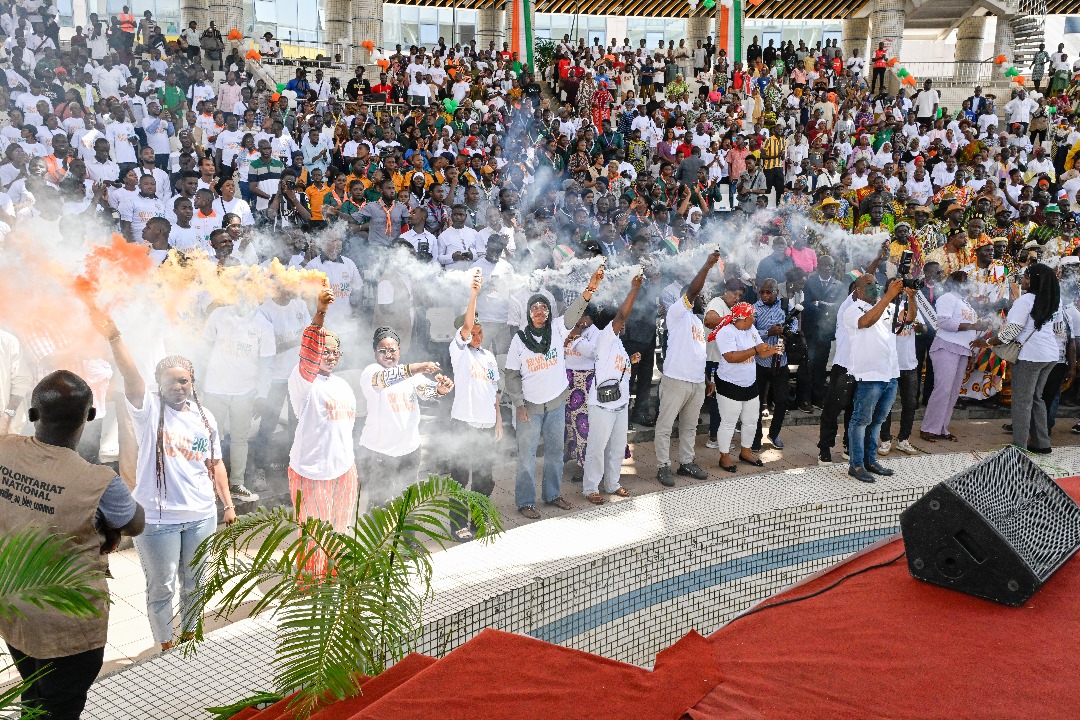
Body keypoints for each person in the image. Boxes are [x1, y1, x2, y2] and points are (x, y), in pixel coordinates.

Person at [0, 371, 144, 719]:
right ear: (90, 415)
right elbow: (135, 523)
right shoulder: (99, 482)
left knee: (33, 694)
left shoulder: (4, 451)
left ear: (32, 414)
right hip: (68, 624)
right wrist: (102, 523)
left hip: (15, 605)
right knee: (61, 707)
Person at [93, 309, 236, 651]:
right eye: (170, 381)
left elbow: (215, 463)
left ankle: (190, 637)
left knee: (195, 583)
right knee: (162, 587)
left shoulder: (205, 417)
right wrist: (115, 338)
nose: (177, 386)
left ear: (192, 382)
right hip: (159, 521)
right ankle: (166, 647)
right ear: (158, 384)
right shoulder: (149, 411)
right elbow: (131, 378)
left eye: (183, 380)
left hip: (201, 516)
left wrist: (228, 505)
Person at [505, 264, 604, 519]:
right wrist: (519, 405)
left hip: (556, 403)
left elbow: (575, 310)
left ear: (549, 312)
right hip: (529, 408)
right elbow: (512, 375)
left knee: (554, 453)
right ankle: (526, 502)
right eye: (534, 309)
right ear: (528, 314)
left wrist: (591, 287)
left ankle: (552, 495)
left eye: (544, 308)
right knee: (526, 457)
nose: (540, 312)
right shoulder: (519, 339)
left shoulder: (559, 329)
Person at [287, 285, 357, 574]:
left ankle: (336, 579)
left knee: (340, 530)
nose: (328, 356)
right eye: (323, 351)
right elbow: (308, 351)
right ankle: (312, 585)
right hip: (311, 472)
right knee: (315, 535)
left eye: (333, 352)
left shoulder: (343, 385)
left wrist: (349, 465)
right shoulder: (304, 379)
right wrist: (320, 312)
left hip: (344, 470)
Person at [358, 327, 453, 509]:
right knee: (379, 506)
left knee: (407, 504)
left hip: (410, 450)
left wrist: (441, 388)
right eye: (382, 351)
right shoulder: (371, 371)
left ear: (399, 352)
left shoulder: (410, 375)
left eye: (392, 350)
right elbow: (384, 379)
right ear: (375, 353)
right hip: (380, 452)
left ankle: (405, 530)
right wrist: (419, 367)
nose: (388, 355)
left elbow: (427, 391)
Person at [654, 251, 721, 487]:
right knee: (665, 426)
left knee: (690, 427)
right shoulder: (676, 314)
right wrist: (707, 266)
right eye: (697, 296)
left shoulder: (697, 321)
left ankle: (686, 462)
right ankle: (662, 466)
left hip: (696, 382)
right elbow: (692, 291)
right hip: (676, 380)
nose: (701, 297)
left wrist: (706, 379)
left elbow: (698, 354)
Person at [844, 274, 916, 483]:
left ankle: (870, 460)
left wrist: (912, 298)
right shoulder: (853, 309)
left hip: (890, 374)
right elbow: (866, 322)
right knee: (861, 421)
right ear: (858, 290)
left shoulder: (889, 307)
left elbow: (908, 319)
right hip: (869, 375)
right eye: (869, 284)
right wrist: (888, 296)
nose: (875, 286)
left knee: (877, 421)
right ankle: (856, 465)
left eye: (876, 283)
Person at [447, 270, 501, 539]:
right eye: (473, 332)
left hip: (486, 425)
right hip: (464, 423)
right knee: (460, 476)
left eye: (480, 332)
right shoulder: (459, 352)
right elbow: (466, 328)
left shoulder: (489, 356)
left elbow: (494, 392)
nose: (477, 336)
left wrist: (499, 422)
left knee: (484, 477)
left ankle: (480, 520)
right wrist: (474, 295)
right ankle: (458, 524)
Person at [989, 264, 1064, 454]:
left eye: (1026, 277)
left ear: (1035, 280)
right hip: (1050, 355)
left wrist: (989, 342)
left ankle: (1019, 445)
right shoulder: (1055, 300)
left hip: (1030, 356)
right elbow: (1059, 329)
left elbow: (1012, 330)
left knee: (1022, 401)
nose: (1022, 280)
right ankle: (1041, 443)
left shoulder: (1025, 301)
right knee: (1037, 398)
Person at [582, 271, 642, 505]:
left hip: (620, 403)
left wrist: (630, 362)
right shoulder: (606, 336)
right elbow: (622, 314)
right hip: (602, 405)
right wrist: (634, 289)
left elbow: (615, 369)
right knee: (597, 449)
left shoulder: (617, 343)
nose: (624, 324)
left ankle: (613, 484)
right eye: (620, 323)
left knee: (617, 448)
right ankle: (590, 488)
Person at [712, 302, 782, 472]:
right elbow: (731, 357)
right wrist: (755, 349)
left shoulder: (751, 330)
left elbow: (761, 353)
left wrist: (773, 350)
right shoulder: (726, 332)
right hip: (729, 383)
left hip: (750, 382)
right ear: (743, 318)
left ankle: (746, 452)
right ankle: (724, 457)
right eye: (752, 316)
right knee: (728, 422)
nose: (754, 319)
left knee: (751, 420)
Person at [920, 271, 988, 443]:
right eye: (961, 282)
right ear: (952, 283)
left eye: (966, 281)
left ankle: (942, 427)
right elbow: (944, 322)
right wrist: (973, 326)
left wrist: (973, 353)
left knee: (953, 391)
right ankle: (929, 428)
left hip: (963, 350)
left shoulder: (966, 303)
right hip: (947, 346)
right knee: (943, 389)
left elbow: (972, 331)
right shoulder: (947, 298)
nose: (965, 285)